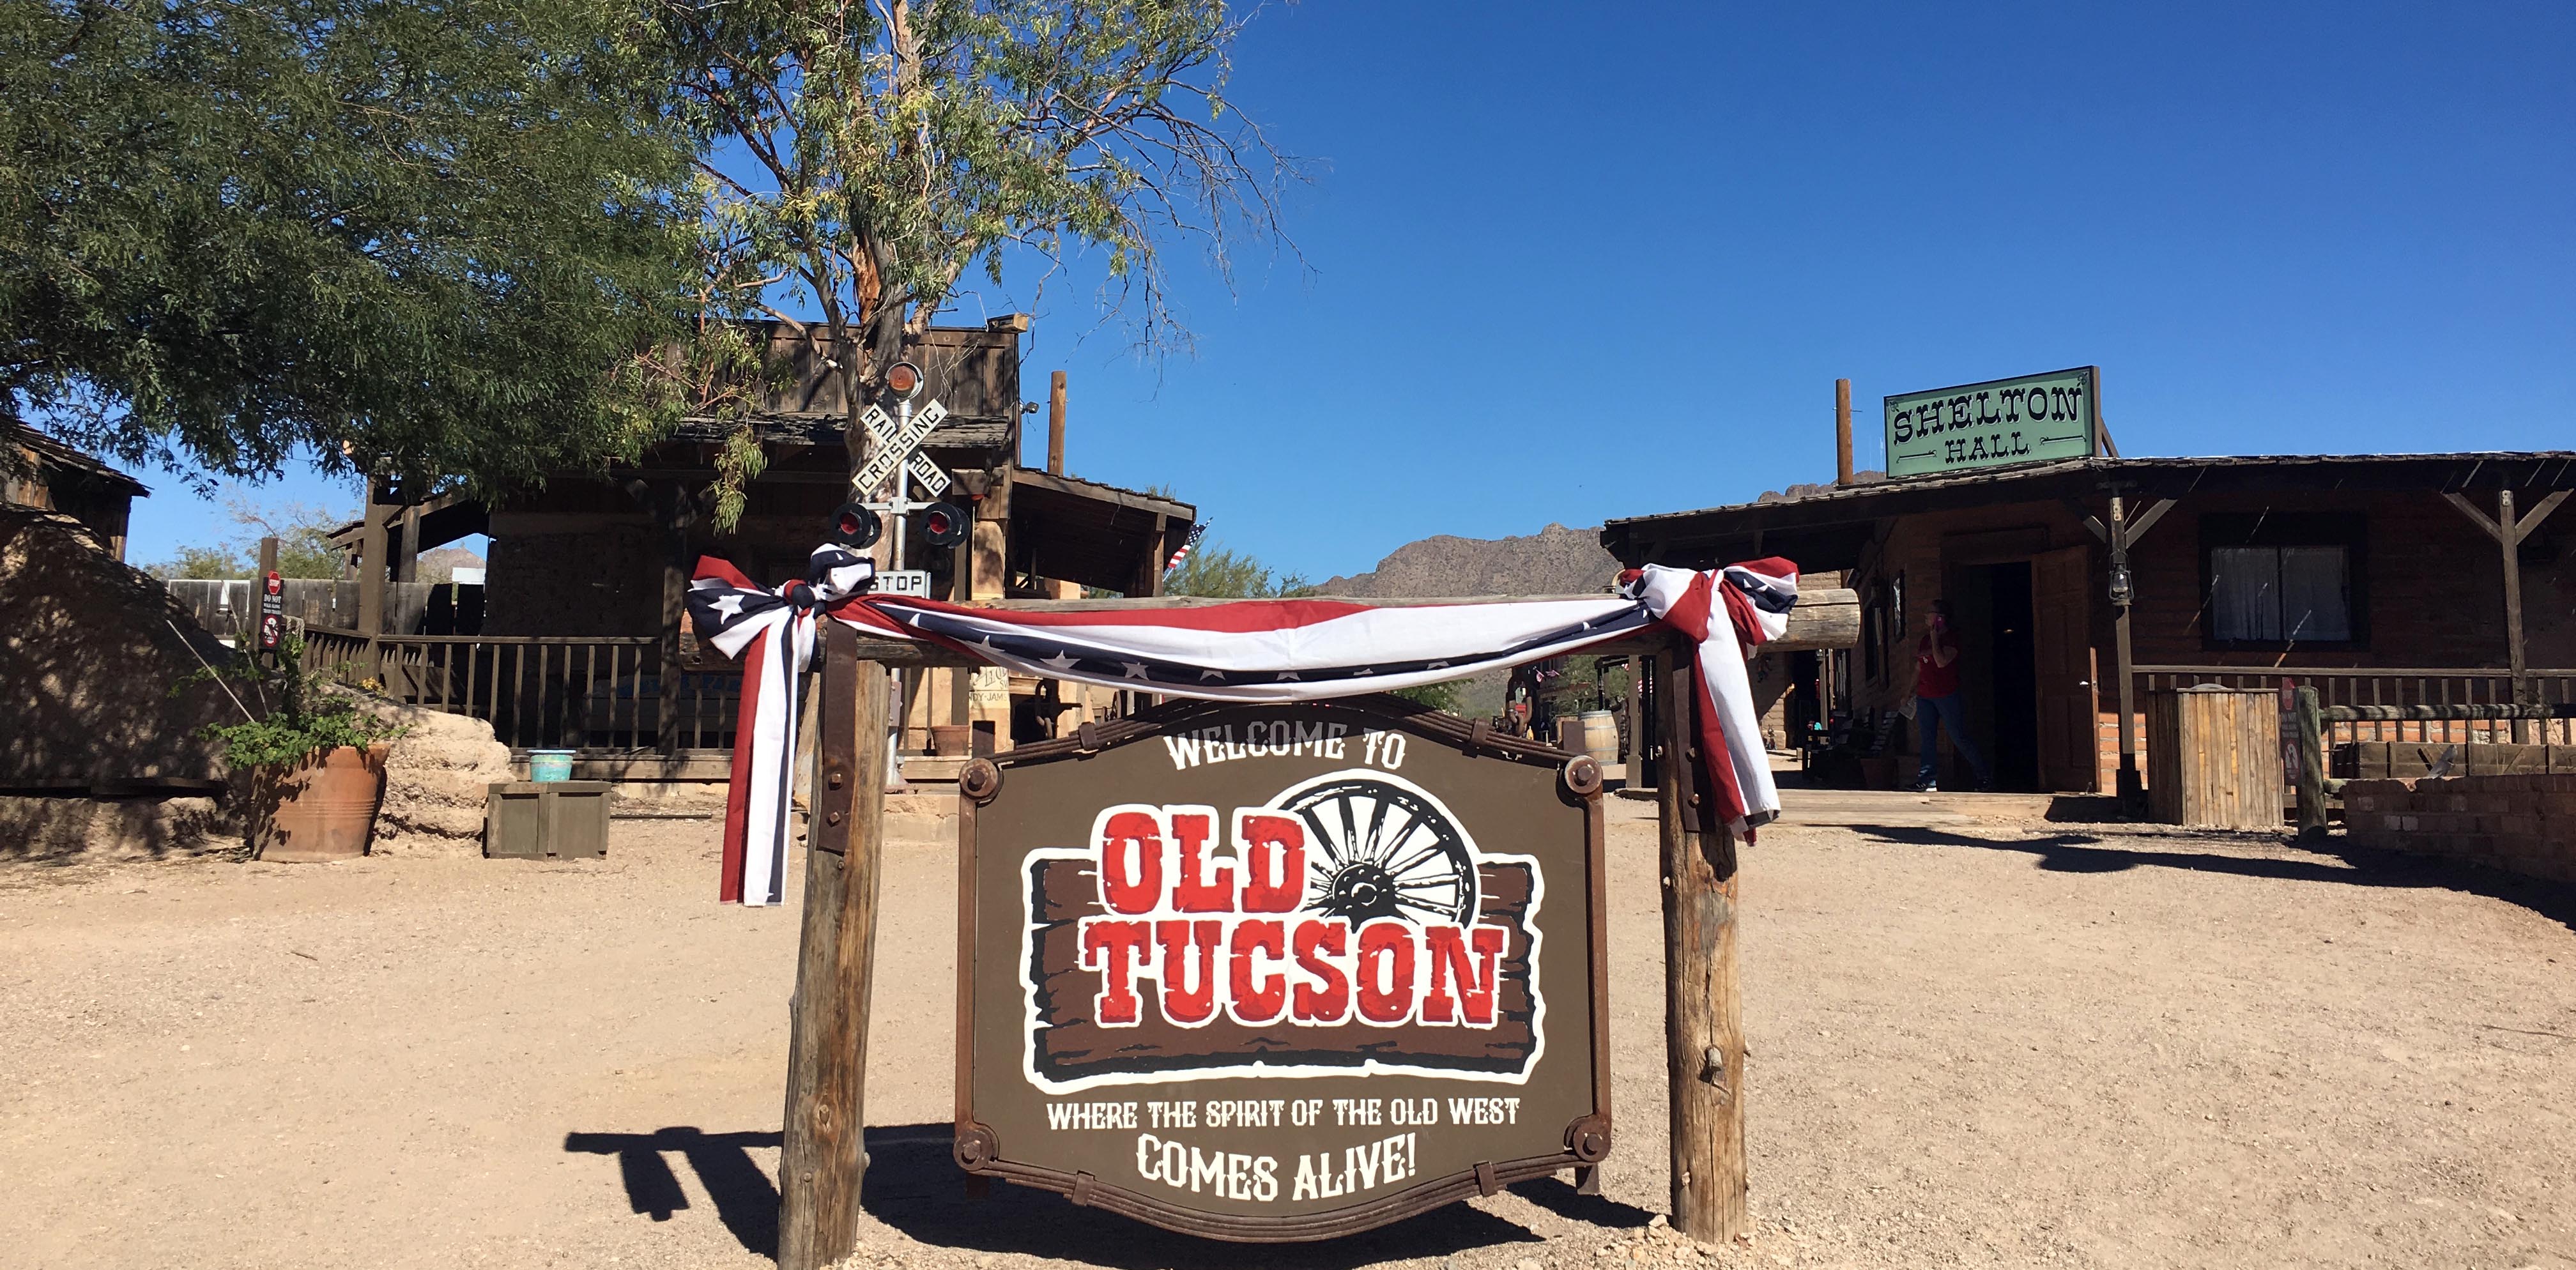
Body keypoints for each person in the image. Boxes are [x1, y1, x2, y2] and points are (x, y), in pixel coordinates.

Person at [1913, 599, 1991, 792]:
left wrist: (1934, 638)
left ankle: (1983, 776)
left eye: (1929, 613)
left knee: (1958, 736)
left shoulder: (1952, 639)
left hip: (1946, 694)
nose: (1925, 616)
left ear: (1940, 618)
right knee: (1927, 738)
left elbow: (1941, 662)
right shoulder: (1923, 640)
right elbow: (1918, 668)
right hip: (1925, 695)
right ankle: (1927, 779)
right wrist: (1907, 692)